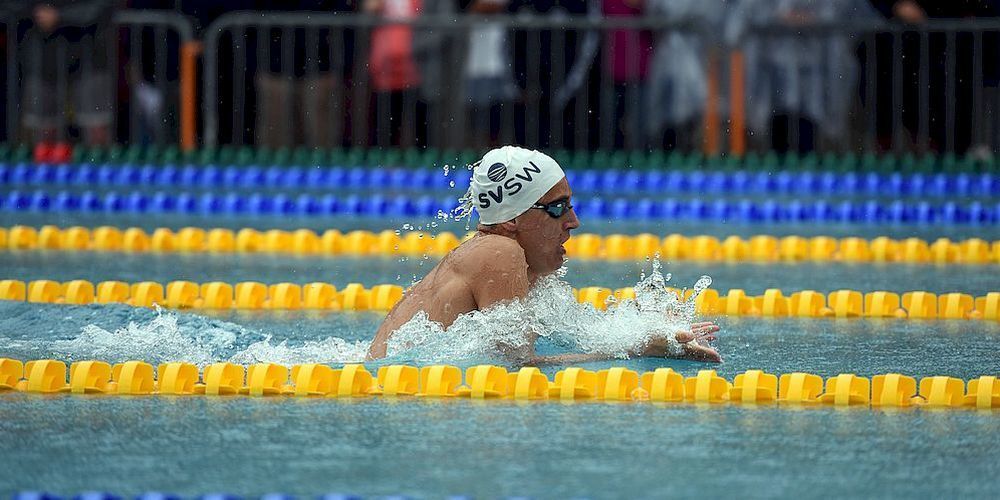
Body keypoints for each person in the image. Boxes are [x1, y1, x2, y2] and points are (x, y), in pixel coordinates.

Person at [367, 146, 722, 364]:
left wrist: (646, 330)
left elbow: (570, 334)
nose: (574, 221)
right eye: (557, 208)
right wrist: (639, 350)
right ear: (511, 219)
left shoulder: (518, 264)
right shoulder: (500, 251)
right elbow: (515, 366)